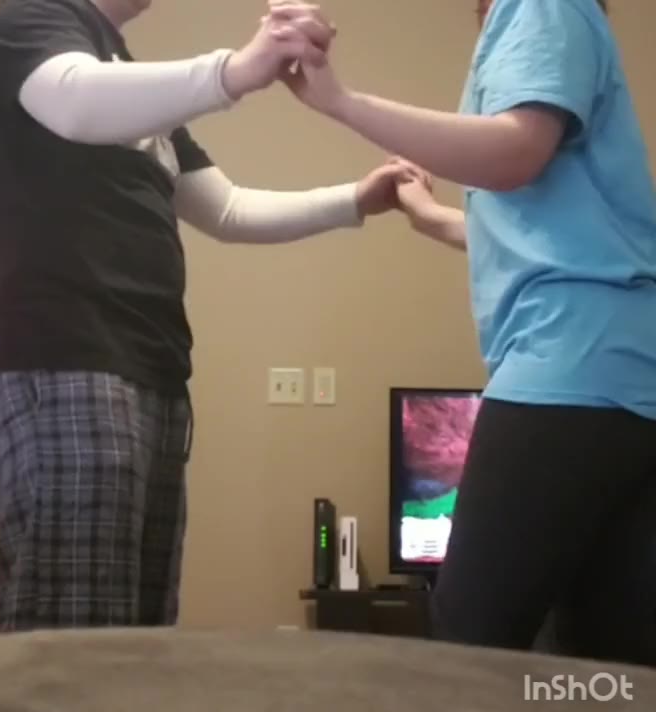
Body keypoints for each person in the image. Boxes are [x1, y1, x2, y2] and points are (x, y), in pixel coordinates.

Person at [0, 0, 420, 632]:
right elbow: (72, 102)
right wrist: (237, 70)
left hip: (152, 372)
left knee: (140, 633)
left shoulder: (130, 83)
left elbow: (227, 210)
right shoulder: (28, 18)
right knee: (75, 636)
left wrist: (356, 200)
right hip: (63, 359)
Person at [275, 0, 656, 666]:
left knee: (467, 653)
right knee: (607, 658)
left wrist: (340, 101)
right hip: (626, 374)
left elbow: (515, 151)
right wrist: (428, 217)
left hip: (570, 364)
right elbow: (555, 235)